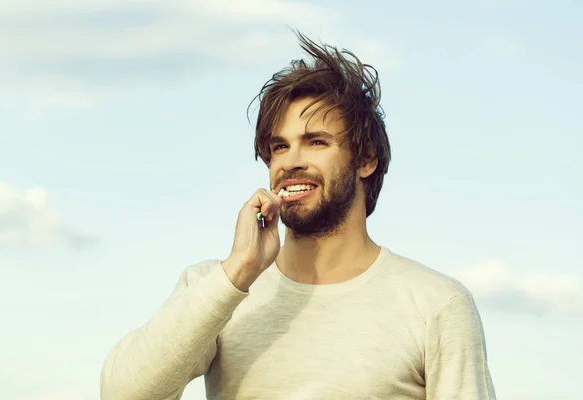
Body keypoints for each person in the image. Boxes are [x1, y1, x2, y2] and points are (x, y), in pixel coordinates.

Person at [100, 31, 496, 400]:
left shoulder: (436, 304)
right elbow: (122, 394)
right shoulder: (216, 288)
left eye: (316, 142)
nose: (291, 162)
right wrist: (238, 271)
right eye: (279, 147)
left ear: (366, 159)